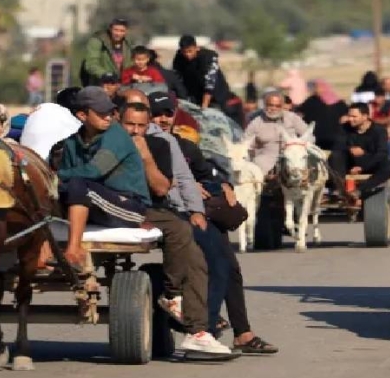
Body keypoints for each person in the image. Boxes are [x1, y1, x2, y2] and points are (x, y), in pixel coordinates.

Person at [144, 91, 278, 354]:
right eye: (156, 114)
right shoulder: (146, 144)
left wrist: (223, 185)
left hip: (197, 211)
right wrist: (188, 186)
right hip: (174, 213)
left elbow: (209, 175)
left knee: (231, 267)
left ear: (175, 115)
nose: (162, 119)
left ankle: (242, 333)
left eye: (167, 114)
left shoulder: (185, 146)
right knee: (216, 265)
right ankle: (205, 330)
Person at [115, 101, 232, 356]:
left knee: (196, 256)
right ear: (117, 120)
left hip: (151, 208)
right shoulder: (106, 143)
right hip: (112, 207)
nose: (135, 131)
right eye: (129, 125)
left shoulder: (160, 145)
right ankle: (175, 295)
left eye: (141, 126)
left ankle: (198, 331)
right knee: (181, 231)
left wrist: (145, 156)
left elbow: (161, 188)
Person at [52, 87, 150, 268]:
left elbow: (94, 171)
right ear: (82, 115)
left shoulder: (116, 135)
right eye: (101, 113)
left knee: (79, 185)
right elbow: (63, 183)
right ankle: (40, 253)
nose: (108, 117)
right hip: (95, 202)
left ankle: (74, 251)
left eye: (110, 111)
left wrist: (56, 175)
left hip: (128, 205)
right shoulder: (72, 142)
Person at [329, 103, 390, 206]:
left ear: (365, 116)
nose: (350, 119)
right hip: (348, 164)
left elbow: (382, 153)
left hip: (369, 163)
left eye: (354, 116)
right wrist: (350, 149)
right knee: (335, 155)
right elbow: (337, 146)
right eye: (349, 116)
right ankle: (339, 190)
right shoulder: (344, 128)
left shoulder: (379, 131)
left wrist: (362, 167)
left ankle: (359, 191)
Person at [243, 91, 309, 177]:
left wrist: (300, 147)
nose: (273, 108)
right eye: (270, 105)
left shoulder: (292, 118)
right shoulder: (256, 122)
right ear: (265, 105)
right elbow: (245, 144)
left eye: (277, 106)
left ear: (282, 106)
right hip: (266, 159)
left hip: (292, 156)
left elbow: (308, 135)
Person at [296, 79, 348, 152]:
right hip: (315, 138)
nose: (317, 90)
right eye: (316, 87)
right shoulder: (311, 101)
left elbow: (346, 116)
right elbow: (300, 113)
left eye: (319, 87)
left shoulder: (339, 103)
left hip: (334, 139)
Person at [80, 18, 133, 87]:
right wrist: (105, 74)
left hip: (122, 84)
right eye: (116, 30)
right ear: (110, 29)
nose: (118, 33)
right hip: (100, 84)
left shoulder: (128, 45)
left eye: (122, 31)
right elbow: (91, 64)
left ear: (126, 32)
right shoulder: (98, 41)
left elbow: (132, 64)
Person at [369, 88, 390, 158]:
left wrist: (376, 120)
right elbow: (368, 117)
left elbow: (389, 120)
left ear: (384, 97)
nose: (377, 99)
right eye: (376, 97)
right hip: (374, 130)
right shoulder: (370, 105)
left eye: (380, 97)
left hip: (387, 131)